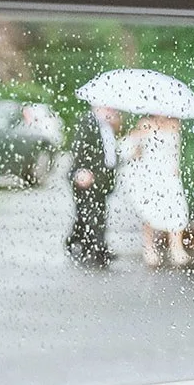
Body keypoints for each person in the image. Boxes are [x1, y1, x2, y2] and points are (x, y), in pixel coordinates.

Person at [118, 114, 190, 267]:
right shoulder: (145, 124)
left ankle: (176, 246)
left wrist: (175, 167)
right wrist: (138, 141)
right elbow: (131, 147)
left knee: (176, 208)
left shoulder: (174, 124)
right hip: (150, 174)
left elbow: (175, 150)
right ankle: (149, 247)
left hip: (169, 174)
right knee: (150, 210)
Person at [65, 104, 122, 267]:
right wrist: (82, 169)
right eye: (109, 108)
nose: (112, 111)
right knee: (92, 214)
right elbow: (79, 147)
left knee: (91, 212)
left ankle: (75, 242)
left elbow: (109, 149)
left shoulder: (107, 124)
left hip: (102, 178)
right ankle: (97, 249)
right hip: (88, 176)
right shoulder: (88, 122)